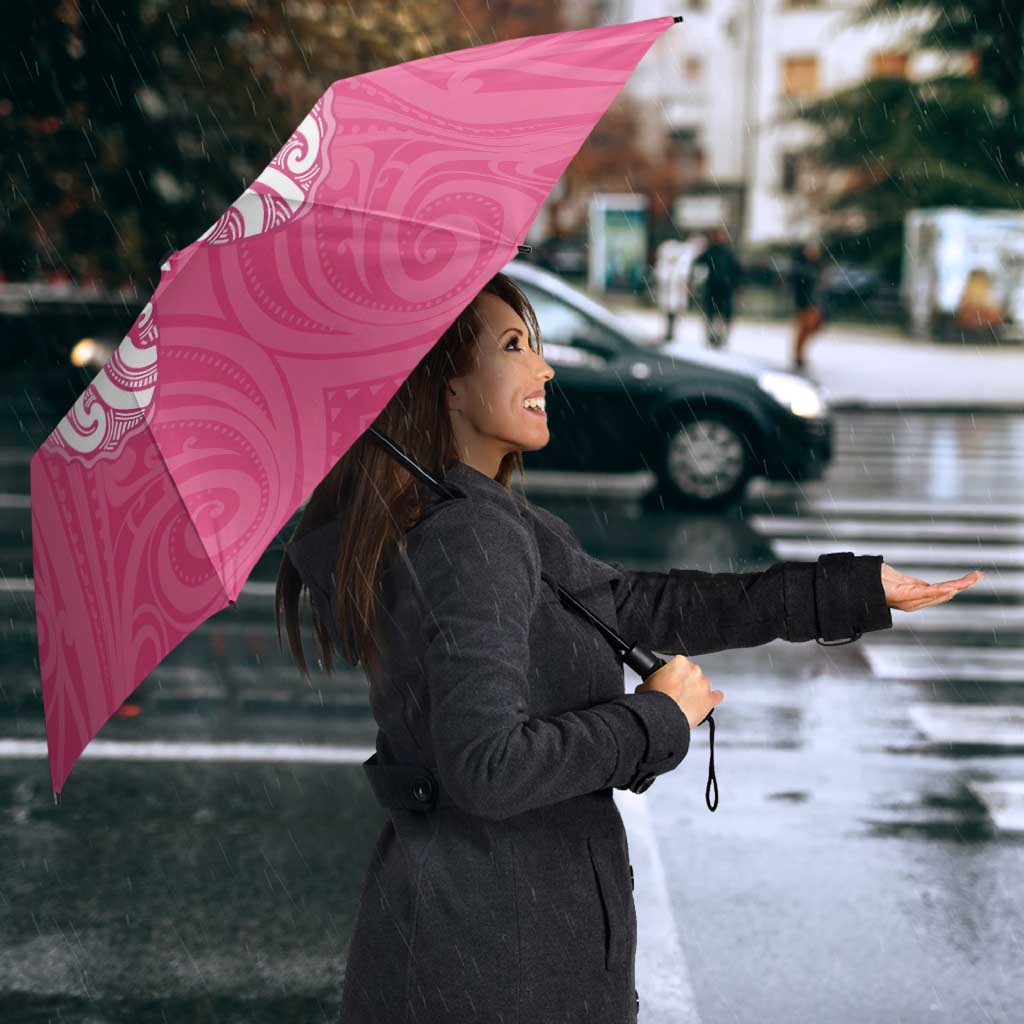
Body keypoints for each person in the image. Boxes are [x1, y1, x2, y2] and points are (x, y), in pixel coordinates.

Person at [276, 271, 977, 1024]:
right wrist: (655, 719)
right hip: (498, 962)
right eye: (514, 346)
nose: (544, 368)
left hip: (479, 943)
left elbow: (640, 605)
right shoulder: (469, 537)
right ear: (445, 385)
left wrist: (850, 591)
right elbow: (487, 768)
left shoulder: (476, 518)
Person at [692, 226, 742, 349]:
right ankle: (713, 337)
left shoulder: (725, 252)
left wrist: (735, 284)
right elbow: (698, 264)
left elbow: (736, 270)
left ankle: (719, 337)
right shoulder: (712, 251)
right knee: (713, 314)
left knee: (720, 315)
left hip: (723, 288)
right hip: (715, 288)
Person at [790, 239, 826, 370]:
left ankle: (799, 354)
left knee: (812, 328)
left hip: (814, 303)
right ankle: (798, 355)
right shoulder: (802, 267)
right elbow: (799, 286)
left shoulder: (817, 266)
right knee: (804, 329)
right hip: (805, 303)